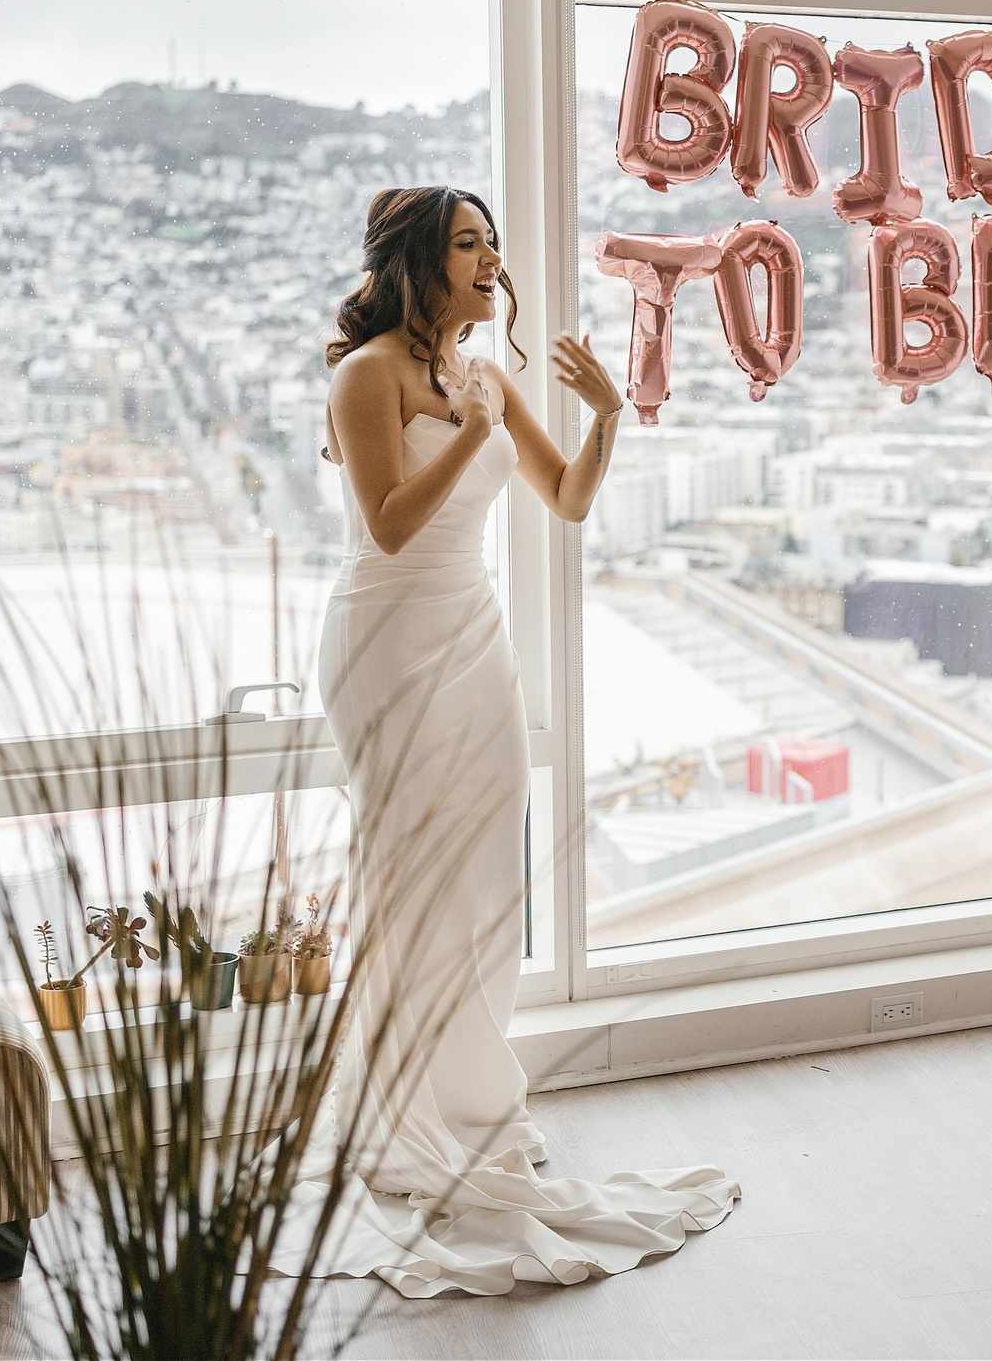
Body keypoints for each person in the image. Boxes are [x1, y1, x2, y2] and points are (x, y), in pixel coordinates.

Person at [311, 186, 738, 1297]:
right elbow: (391, 524)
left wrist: (602, 417)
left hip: (472, 631)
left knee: (492, 864)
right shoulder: (367, 377)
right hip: (389, 636)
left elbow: (568, 499)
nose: (491, 256)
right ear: (417, 261)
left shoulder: (484, 375)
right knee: (410, 868)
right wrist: (475, 434)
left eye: (493, 239)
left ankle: (469, 1090)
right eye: (467, 242)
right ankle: (406, 1104)